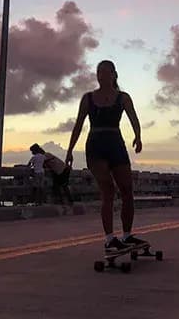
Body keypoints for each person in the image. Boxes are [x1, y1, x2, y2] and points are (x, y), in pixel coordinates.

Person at [65, 59, 145, 254]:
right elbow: (78, 125)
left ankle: (127, 235)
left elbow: (134, 118)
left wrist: (138, 136)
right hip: (96, 146)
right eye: (99, 72)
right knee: (107, 190)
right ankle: (109, 239)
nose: (101, 75)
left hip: (116, 144)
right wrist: (69, 150)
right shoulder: (88, 98)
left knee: (127, 190)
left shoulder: (123, 98)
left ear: (114, 74)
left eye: (106, 71)